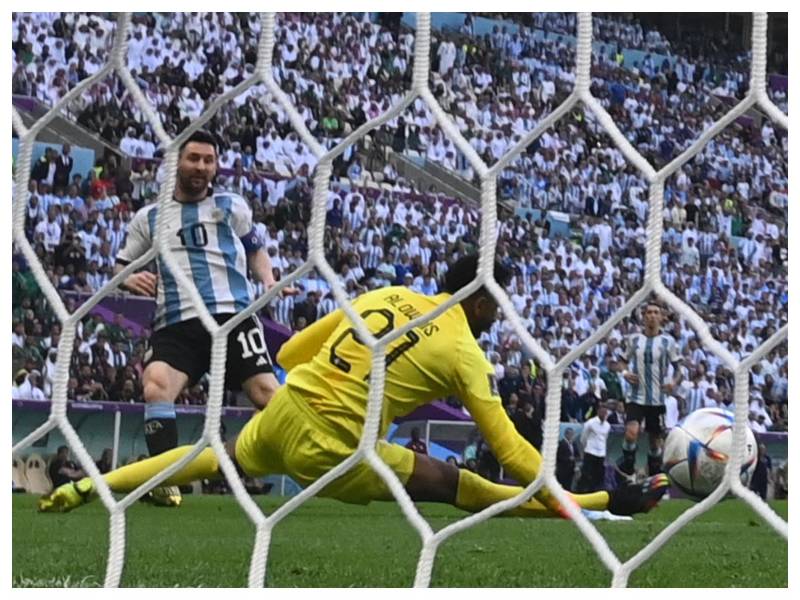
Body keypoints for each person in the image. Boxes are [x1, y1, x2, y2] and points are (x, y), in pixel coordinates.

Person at [39, 255, 668, 518]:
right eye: (496, 306)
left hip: (285, 409)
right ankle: (607, 504)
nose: (499, 317)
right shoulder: (463, 350)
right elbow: (512, 454)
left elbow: (287, 351)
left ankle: (82, 487)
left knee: (213, 457)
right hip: (334, 448)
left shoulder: (389, 295)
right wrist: (576, 499)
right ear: (480, 303)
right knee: (461, 486)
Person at [112, 129, 281, 506]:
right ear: (176, 162)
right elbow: (120, 266)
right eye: (194, 159)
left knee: (268, 396)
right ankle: (162, 480)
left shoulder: (230, 206)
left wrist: (269, 278)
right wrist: (127, 278)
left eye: (208, 160)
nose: (201, 167)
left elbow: (256, 251)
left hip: (232, 316)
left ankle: (319, 462)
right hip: (176, 320)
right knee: (156, 384)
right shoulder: (150, 217)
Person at [617, 301, 682, 483]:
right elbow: (622, 360)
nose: (652, 315)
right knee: (631, 432)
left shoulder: (668, 342)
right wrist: (625, 373)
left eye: (655, 312)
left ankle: (653, 476)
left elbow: (679, 368)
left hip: (657, 399)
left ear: (661, 317)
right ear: (643, 317)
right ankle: (628, 470)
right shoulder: (634, 339)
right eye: (648, 312)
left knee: (655, 441)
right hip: (635, 396)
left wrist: (674, 383)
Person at [577, 402, 611, 493]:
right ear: (598, 411)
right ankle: (581, 492)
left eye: (605, 412)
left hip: (601, 454)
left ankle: (595, 493)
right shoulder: (590, 423)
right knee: (586, 475)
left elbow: (605, 438)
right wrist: (586, 448)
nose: (604, 414)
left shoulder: (608, 425)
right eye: (602, 411)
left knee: (599, 476)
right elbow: (583, 438)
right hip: (590, 452)